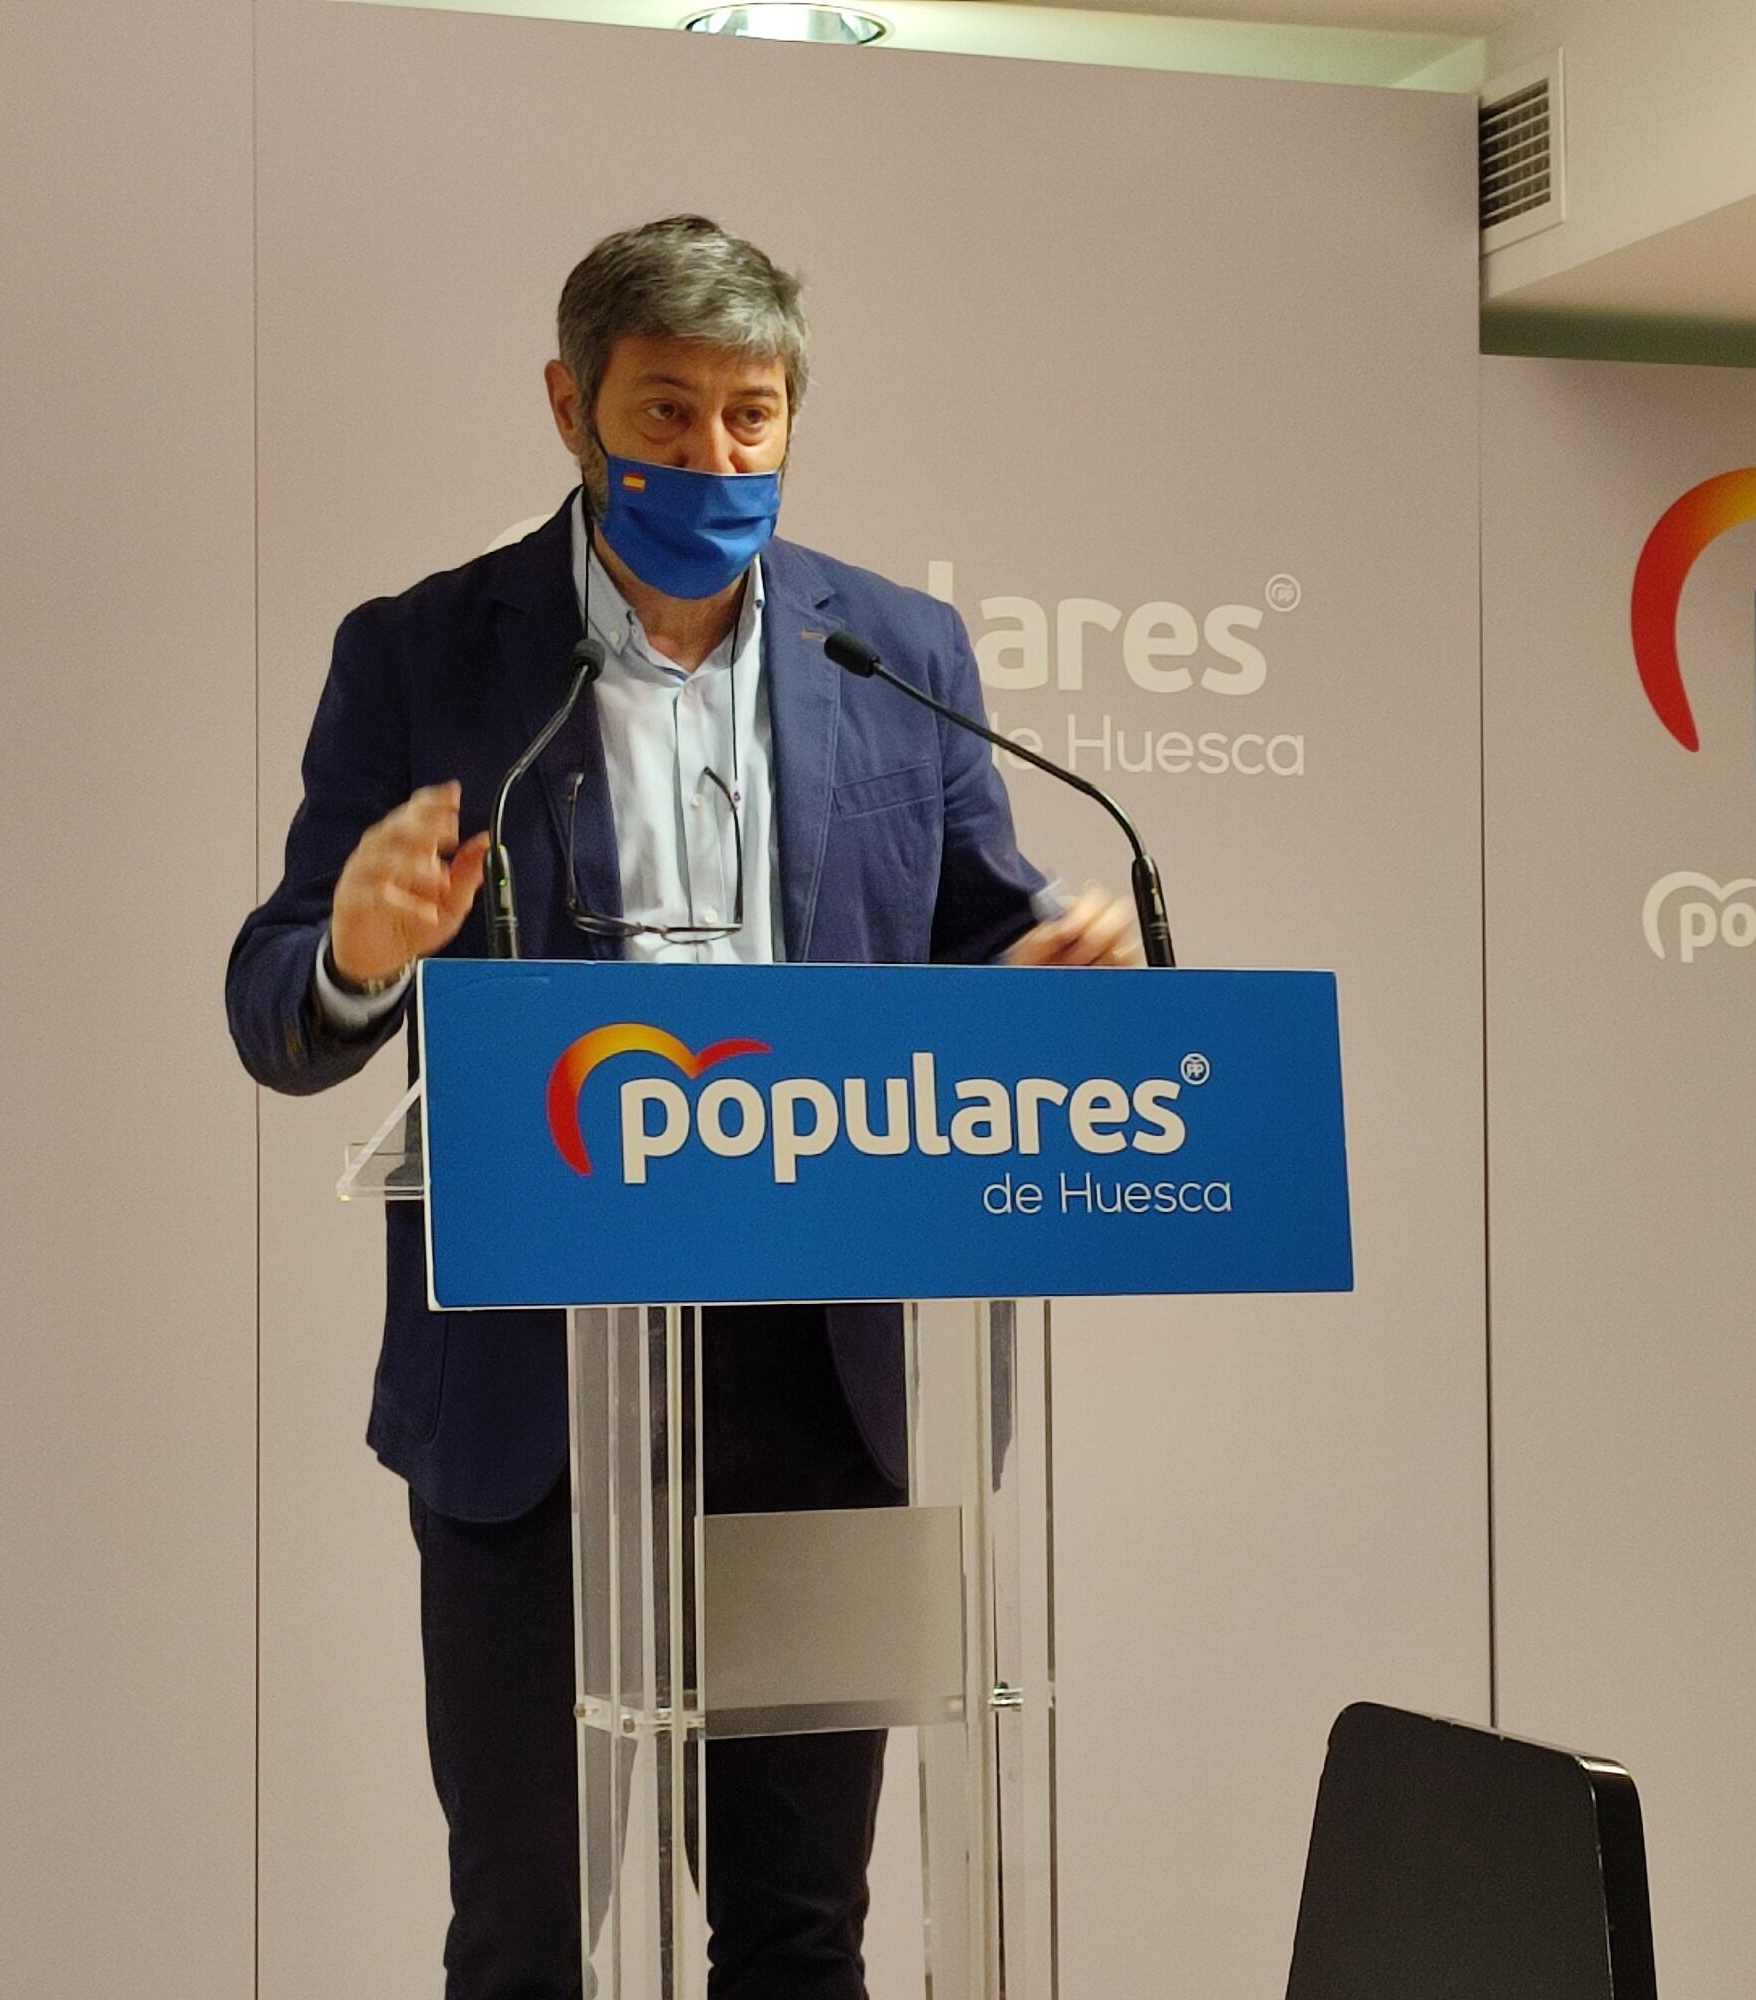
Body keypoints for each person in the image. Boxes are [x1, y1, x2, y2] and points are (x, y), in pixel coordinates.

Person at [225, 214, 1137, 2000]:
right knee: (526, 1935)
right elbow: (280, 1007)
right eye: (666, 411)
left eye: (751, 414)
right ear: (569, 405)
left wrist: (1045, 973)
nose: (713, 455)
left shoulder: (898, 649)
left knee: (800, 1933)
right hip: (538, 1382)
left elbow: (977, 929)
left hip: (825, 1370)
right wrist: (360, 949)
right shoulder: (427, 653)